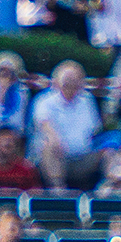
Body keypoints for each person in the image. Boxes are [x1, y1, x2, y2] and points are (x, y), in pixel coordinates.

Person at [29, 60, 103, 191]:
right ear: (56, 81)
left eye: (75, 79)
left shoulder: (87, 101)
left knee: (109, 152)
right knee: (50, 146)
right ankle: (59, 192)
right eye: (67, 79)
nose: (71, 83)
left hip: (81, 157)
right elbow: (45, 125)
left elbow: (94, 130)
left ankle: (107, 190)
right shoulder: (44, 101)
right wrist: (55, 139)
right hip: (55, 158)